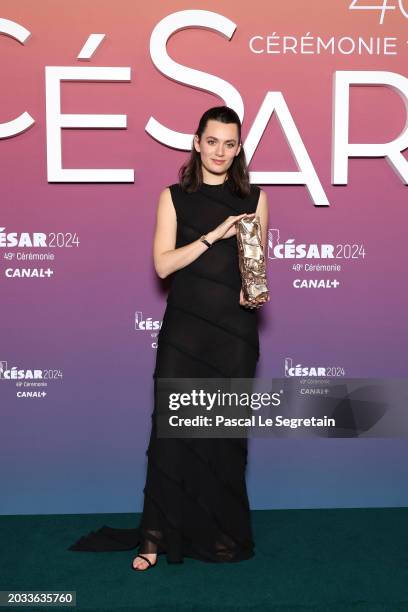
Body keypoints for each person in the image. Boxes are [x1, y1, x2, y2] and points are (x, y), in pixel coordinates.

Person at [68, 105, 268, 570]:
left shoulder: (255, 198)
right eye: (212, 141)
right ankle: (155, 539)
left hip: (233, 336)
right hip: (185, 332)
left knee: (223, 437)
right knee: (171, 436)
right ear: (197, 142)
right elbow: (163, 265)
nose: (220, 151)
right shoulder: (173, 197)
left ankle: (218, 535)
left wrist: (253, 280)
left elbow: (254, 274)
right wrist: (215, 235)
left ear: (239, 149)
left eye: (230, 143)